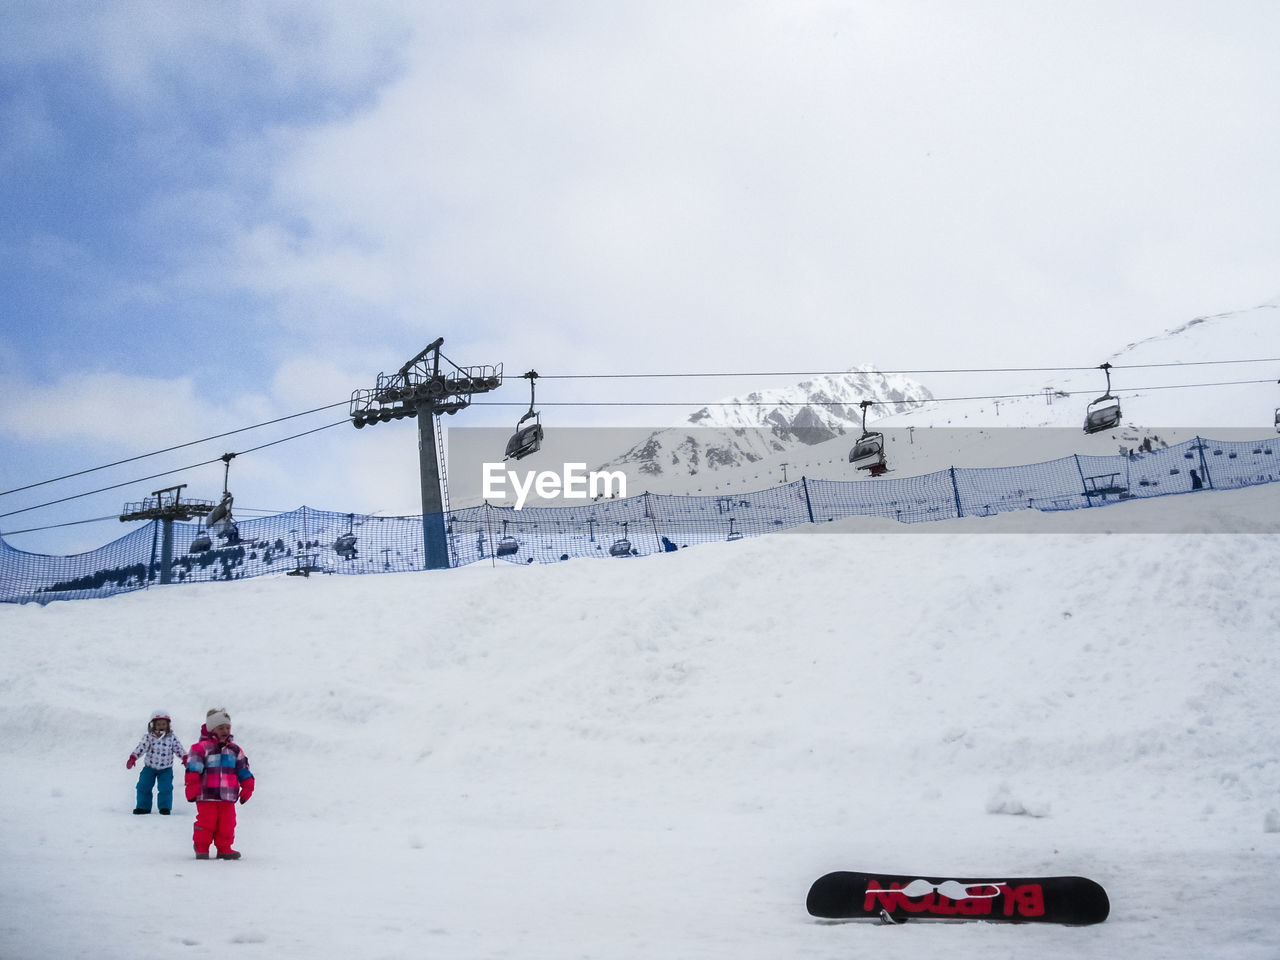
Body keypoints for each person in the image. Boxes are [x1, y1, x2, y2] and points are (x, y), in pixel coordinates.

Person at [185, 707, 255, 860]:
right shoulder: (201, 748)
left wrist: (248, 785)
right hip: (206, 795)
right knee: (206, 822)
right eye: (221, 727)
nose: (225, 730)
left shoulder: (235, 750)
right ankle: (201, 846)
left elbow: (243, 769)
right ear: (212, 729)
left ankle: (224, 848)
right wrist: (192, 785)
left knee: (227, 825)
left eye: (227, 727)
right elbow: (193, 768)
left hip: (227, 797)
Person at [126, 711, 187, 815]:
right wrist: (133, 757)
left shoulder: (172, 737)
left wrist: (185, 758)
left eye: (164, 724)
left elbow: (179, 748)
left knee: (166, 788)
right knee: (143, 786)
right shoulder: (149, 737)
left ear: (168, 725)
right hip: (149, 768)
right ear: (152, 725)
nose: (161, 727)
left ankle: (164, 807)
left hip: (166, 769)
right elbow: (141, 747)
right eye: (158, 724)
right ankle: (143, 807)